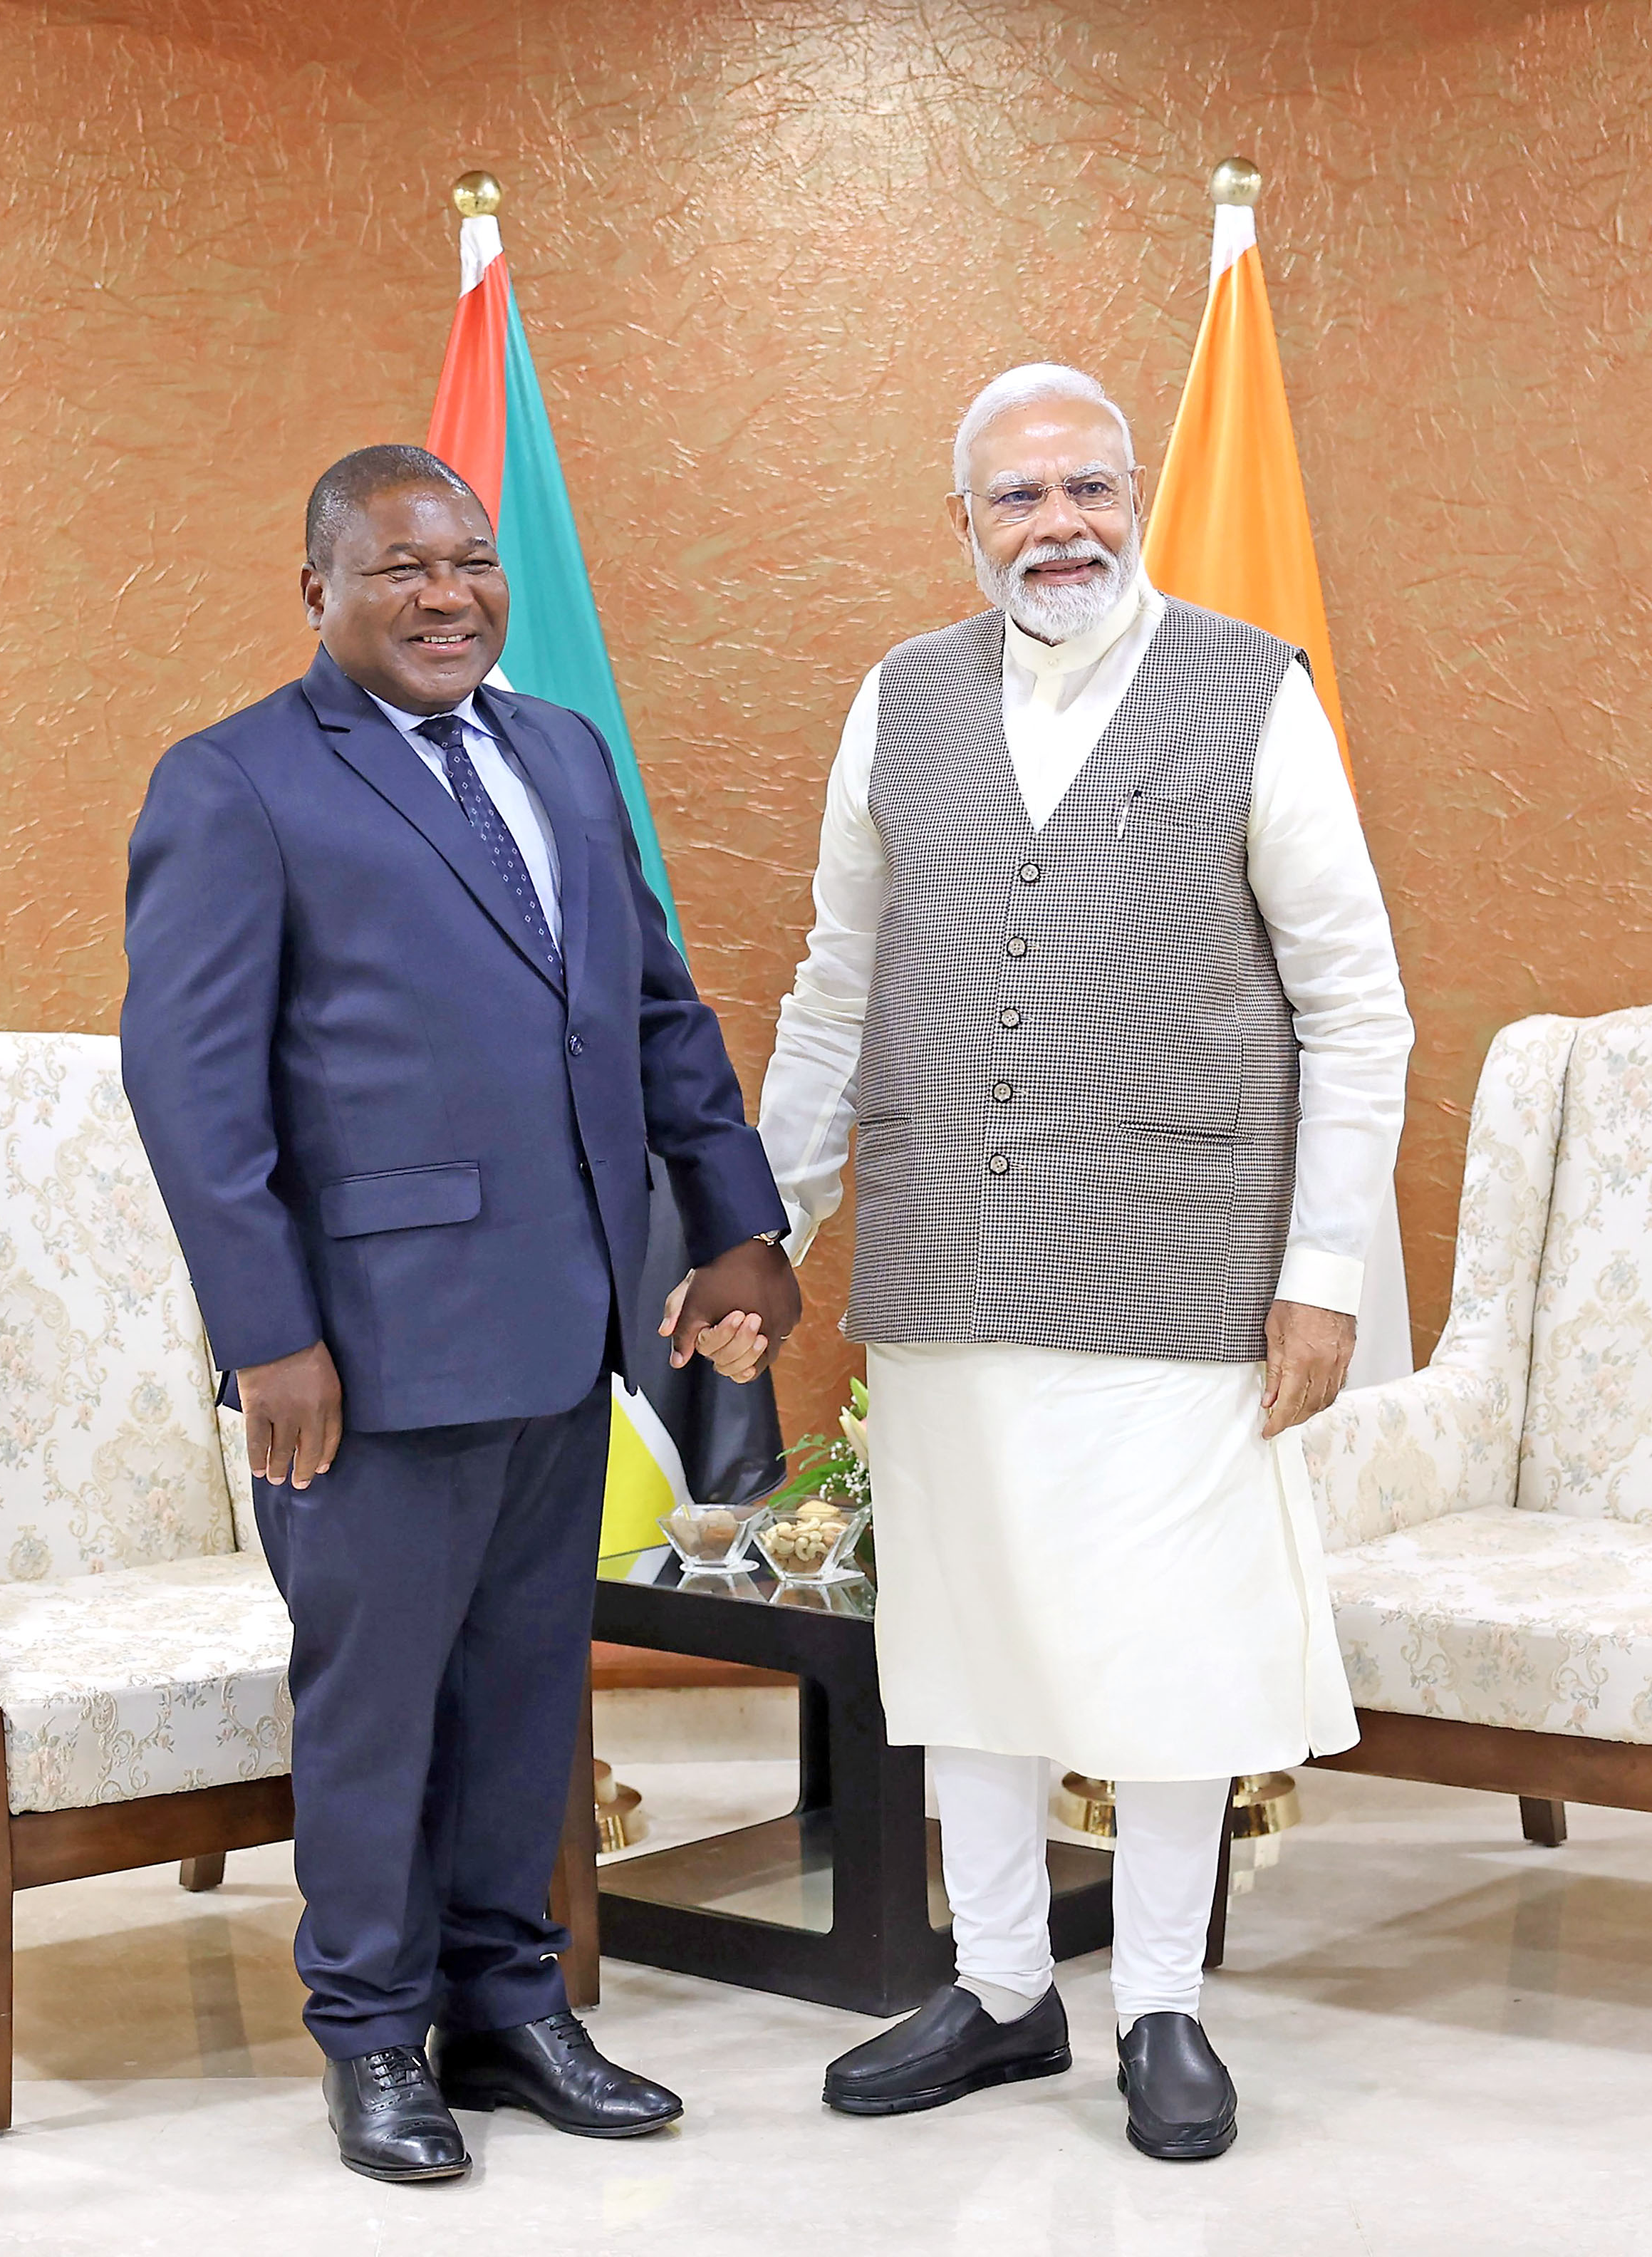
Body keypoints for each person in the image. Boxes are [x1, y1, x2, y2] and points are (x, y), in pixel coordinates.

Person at [686, 365, 1412, 2160]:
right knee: (970, 1639)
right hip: (945, 1262)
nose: (1058, 526)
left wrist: (1324, 1268)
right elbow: (834, 981)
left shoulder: (1252, 691)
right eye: (1017, 500)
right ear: (964, 527)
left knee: (1166, 1653)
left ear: (1135, 496)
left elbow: (1353, 1001)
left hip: (1179, 1267)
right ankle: (1002, 1986)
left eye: (1087, 488)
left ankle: (1158, 2001)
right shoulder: (899, 699)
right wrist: (766, 1220)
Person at [122, 445, 800, 2184]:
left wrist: (731, 1219)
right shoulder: (238, 784)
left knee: (518, 1693)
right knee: (377, 1706)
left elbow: (653, 1007)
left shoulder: (559, 753)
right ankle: (371, 2035)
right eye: (400, 568)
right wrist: (268, 1336)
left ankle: (509, 2011)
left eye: (470, 562)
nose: (447, 595)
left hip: (560, 1322)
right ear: (318, 592)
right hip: (362, 1353)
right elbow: (195, 1097)